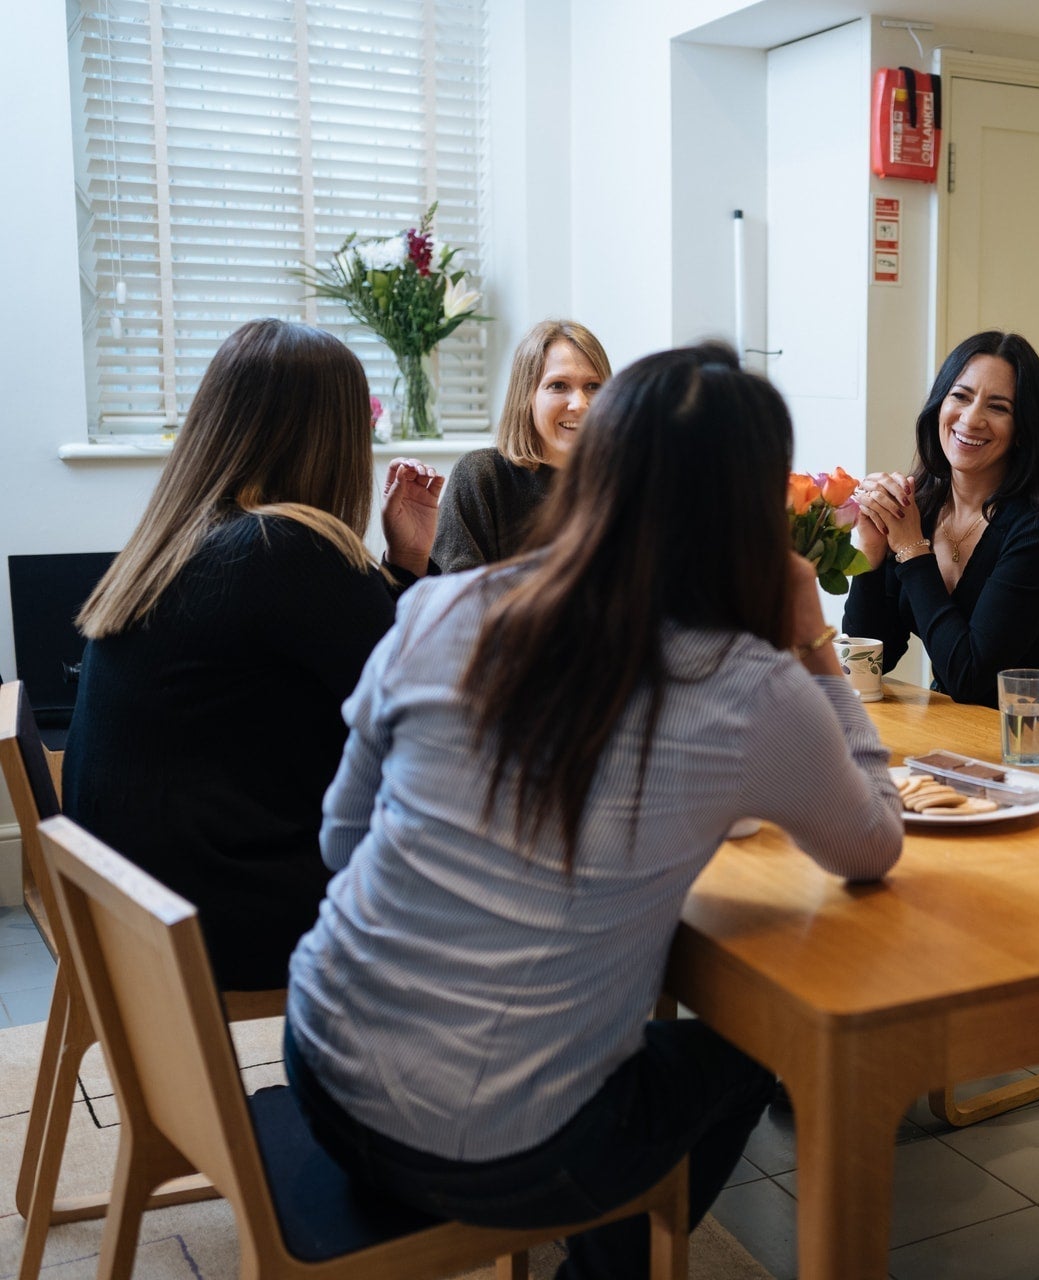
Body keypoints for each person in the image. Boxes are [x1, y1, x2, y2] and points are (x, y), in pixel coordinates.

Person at [283, 344, 903, 1280]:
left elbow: (342, 843)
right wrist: (812, 639)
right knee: (751, 1051)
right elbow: (873, 843)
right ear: (750, 509)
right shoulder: (749, 688)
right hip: (491, 1153)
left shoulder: (441, 608)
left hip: (321, 1064)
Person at [64, 319, 443, 992]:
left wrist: (405, 565)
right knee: (489, 875)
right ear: (334, 437)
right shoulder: (290, 548)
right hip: (223, 909)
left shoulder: (185, 537)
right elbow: (430, 700)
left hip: (133, 902)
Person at [842, 331, 1039, 733]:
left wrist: (911, 549)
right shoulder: (920, 506)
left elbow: (972, 677)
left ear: (1023, 429)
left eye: (998, 407)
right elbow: (873, 659)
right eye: (960, 396)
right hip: (956, 717)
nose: (971, 419)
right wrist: (870, 556)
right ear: (939, 405)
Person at [431, 319, 611, 571]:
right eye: (558, 386)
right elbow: (457, 588)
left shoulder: (620, 482)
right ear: (526, 397)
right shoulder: (481, 476)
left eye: (593, 386)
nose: (579, 404)